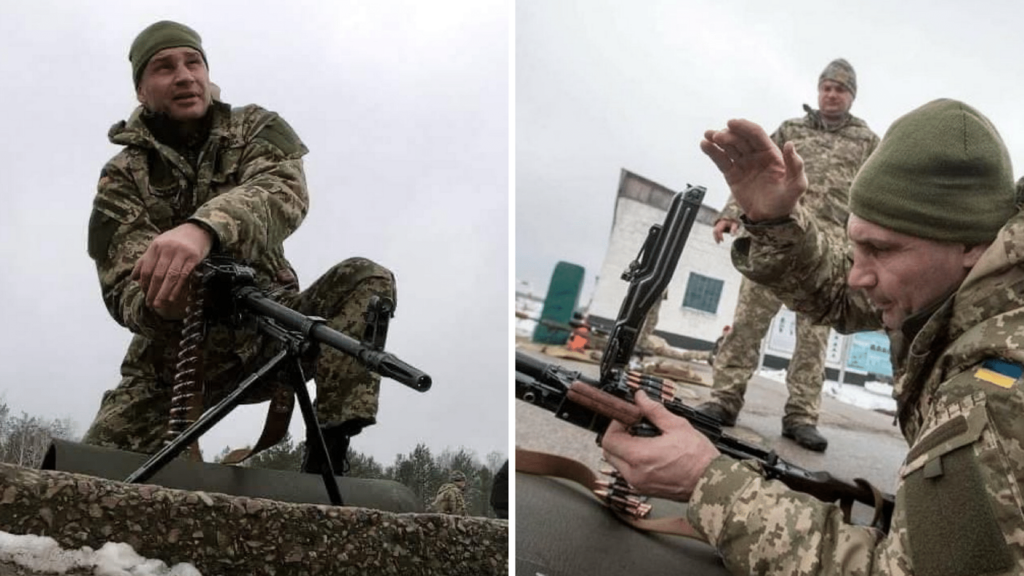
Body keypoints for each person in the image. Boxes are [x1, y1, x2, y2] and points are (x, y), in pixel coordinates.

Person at [603, 98, 1023, 574]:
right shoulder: (965, 279)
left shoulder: (1000, 385)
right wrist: (773, 221)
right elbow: (837, 296)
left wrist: (708, 483)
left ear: (971, 245)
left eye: (879, 250)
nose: (857, 276)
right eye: (856, 245)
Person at [82, 21, 396, 474]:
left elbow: (282, 192)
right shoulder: (123, 175)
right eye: (164, 67)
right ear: (141, 91)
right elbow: (121, 287)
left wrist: (201, 230)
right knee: (87, 480)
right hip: (173, 360)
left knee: (366, 281)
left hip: (274, 334)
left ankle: (327, 457)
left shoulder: (254, 128)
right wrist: (170, 303)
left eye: (194, 63)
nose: (185, 75)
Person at [697, 58, 880, 452]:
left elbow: (876, 196)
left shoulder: (867, 141)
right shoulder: (791, 131)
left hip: (828, 250)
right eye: (827, 86)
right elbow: (754, 172)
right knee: (747, 320)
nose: (832, 94)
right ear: (819, 91)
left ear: (852, 96)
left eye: (841, 89)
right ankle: (724, 398)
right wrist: (732, 212)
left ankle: (801, 415)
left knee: (814, 337)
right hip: (776, 236)